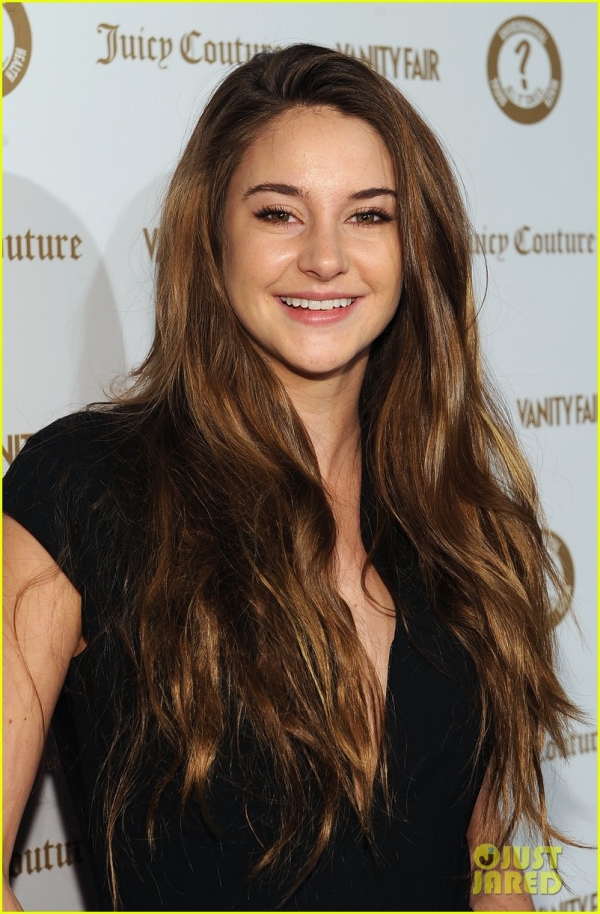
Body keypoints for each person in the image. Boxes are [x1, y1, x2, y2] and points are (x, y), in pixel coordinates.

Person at [3, 44, 578, 912]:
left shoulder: (469, 524)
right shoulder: (82, 490)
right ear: (212, 237)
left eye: (369, 216)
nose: (325, 257)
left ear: (415, 246)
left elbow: (493, 847)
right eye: (279, 213)